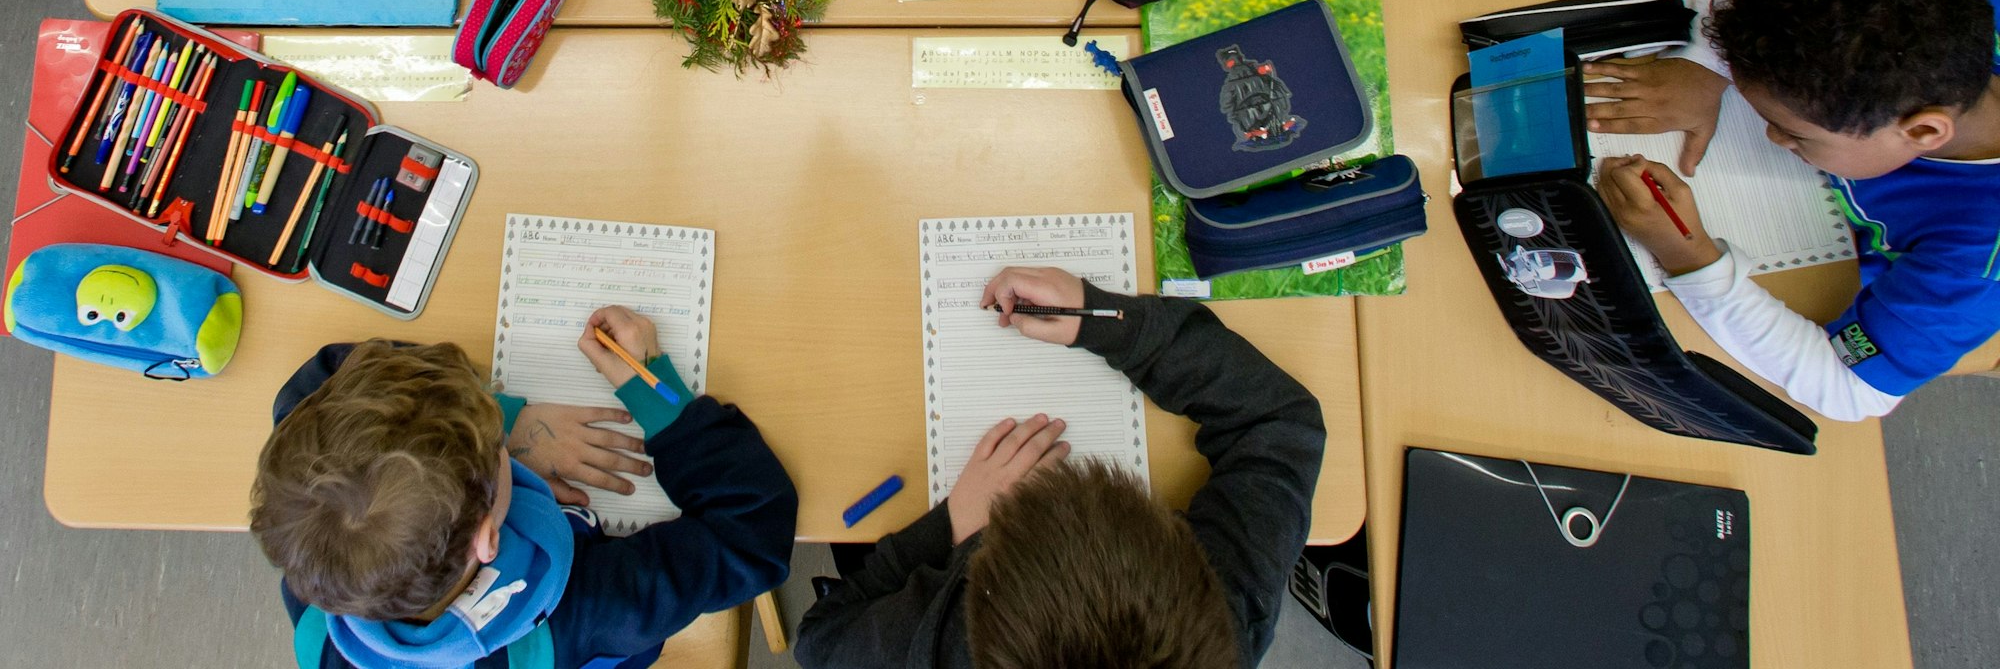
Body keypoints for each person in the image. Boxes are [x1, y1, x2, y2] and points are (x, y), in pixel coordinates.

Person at [1587, 0, 2000, 421]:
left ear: (1923, 132)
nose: (1774, 138)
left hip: (1857, 281)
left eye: (1796, 133)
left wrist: (1689, 257)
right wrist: (1704, 67)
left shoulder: (1978, 261)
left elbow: (1854, 392)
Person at [793, 265, 1324, 669]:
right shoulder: (1217, 619)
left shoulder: (929, 643)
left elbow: (821, 638)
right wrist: (1099, 318)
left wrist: (952, 526)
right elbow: (1277, 422)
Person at [250, 306, 795, 668]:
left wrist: (509, 422)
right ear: (488, 539)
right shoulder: (595, 605)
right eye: (498, 449)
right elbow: (751, 529)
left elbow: (321, 378)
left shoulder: (321, 576)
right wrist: (651, 385)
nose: (501, 439)